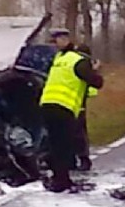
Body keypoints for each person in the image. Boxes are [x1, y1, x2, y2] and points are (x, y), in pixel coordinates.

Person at [40, 28, 104, 191]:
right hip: (64, 106)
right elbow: (96, 82)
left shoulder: (59, 59)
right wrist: (95, 71)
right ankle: (61, 182)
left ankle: (59, 178)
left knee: (56, 143)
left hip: (47, 104)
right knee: (64, 144)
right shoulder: (78, 61)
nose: (56, 45)